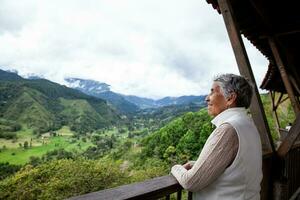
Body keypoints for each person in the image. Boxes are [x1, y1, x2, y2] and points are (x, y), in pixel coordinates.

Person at [171, 74, 262, 200]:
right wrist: (198, 165)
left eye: (213, 92)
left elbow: (190, 182)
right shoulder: (247, 123)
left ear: (230, 98)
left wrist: (176, 168)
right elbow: (236, 166)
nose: (207, 98)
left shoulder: (228, 129)